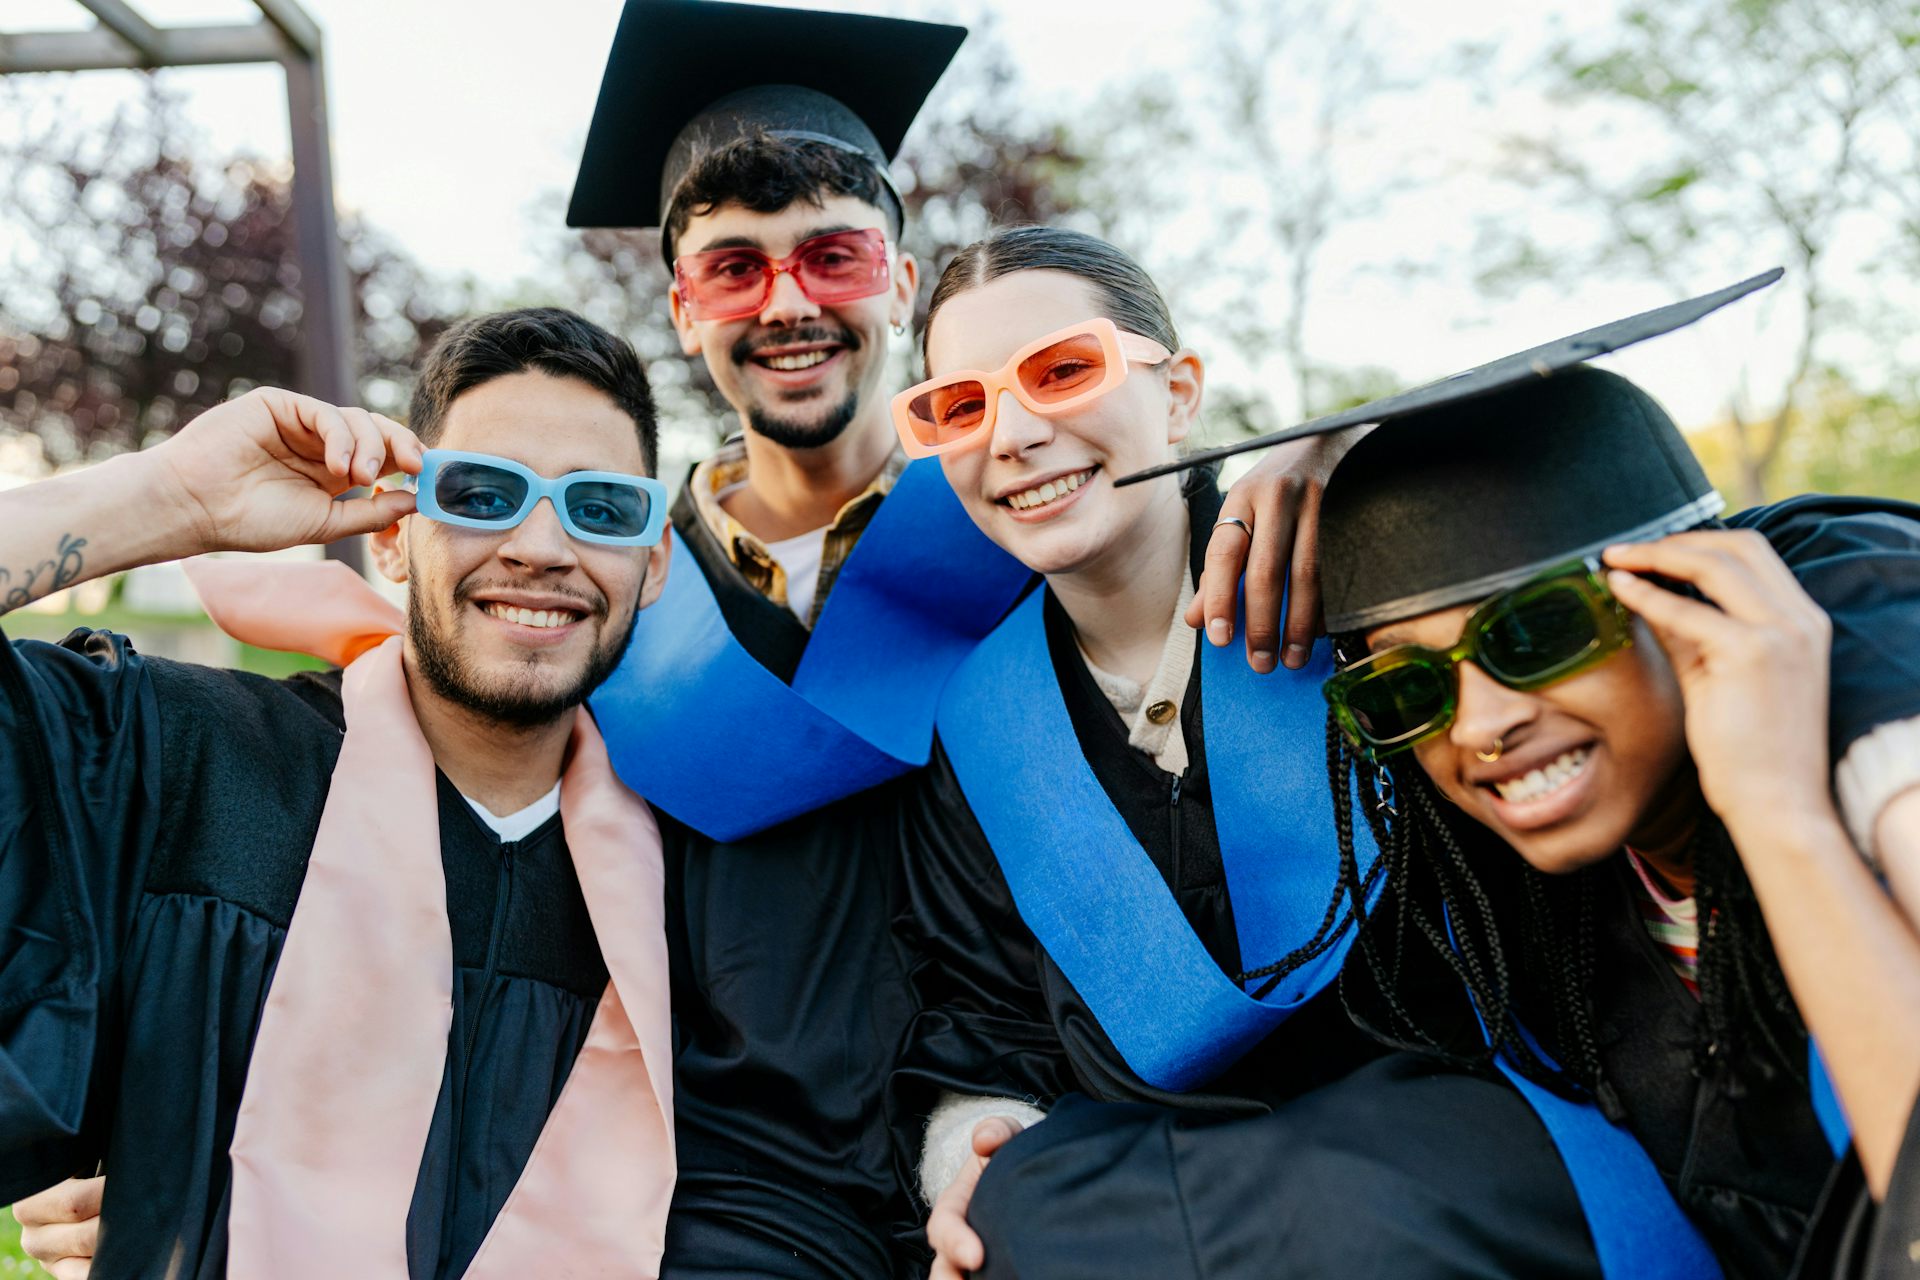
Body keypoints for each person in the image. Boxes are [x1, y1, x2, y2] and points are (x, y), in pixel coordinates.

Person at [562, 4, 1368, 1273]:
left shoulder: (1028, 517)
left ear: (895, 275)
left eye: (831, 256)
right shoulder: (630, 594)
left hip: (1077, 1121)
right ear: (681, 305)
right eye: (734, 268)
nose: (786, 304)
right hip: (754, 1176)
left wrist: (1364, 454)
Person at [887, 225, 1607, 1280]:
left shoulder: (1367, 597)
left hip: (1454, 1162)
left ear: (1180, 392)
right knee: (1023, 1213)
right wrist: (975, 1146)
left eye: (1062, 370)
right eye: (961, 405)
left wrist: (1358, 454)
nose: (1013, 432)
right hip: (1168, 1186)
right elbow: (987, 1021)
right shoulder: (981, 726)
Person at [1190, 285, 1920, 1278]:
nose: (1483, 727)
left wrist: (1778, 806)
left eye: (1537, 631)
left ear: (1687, 593)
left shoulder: (1871, 712)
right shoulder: (1510, 909)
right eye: (1409, 686)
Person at [0, 308, 677, 1279]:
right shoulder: (178, 763)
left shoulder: (694, 885)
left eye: (601, 507)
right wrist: (167, 497)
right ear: (394, 536)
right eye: (481, 493)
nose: (540, 545)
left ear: (649, 563)